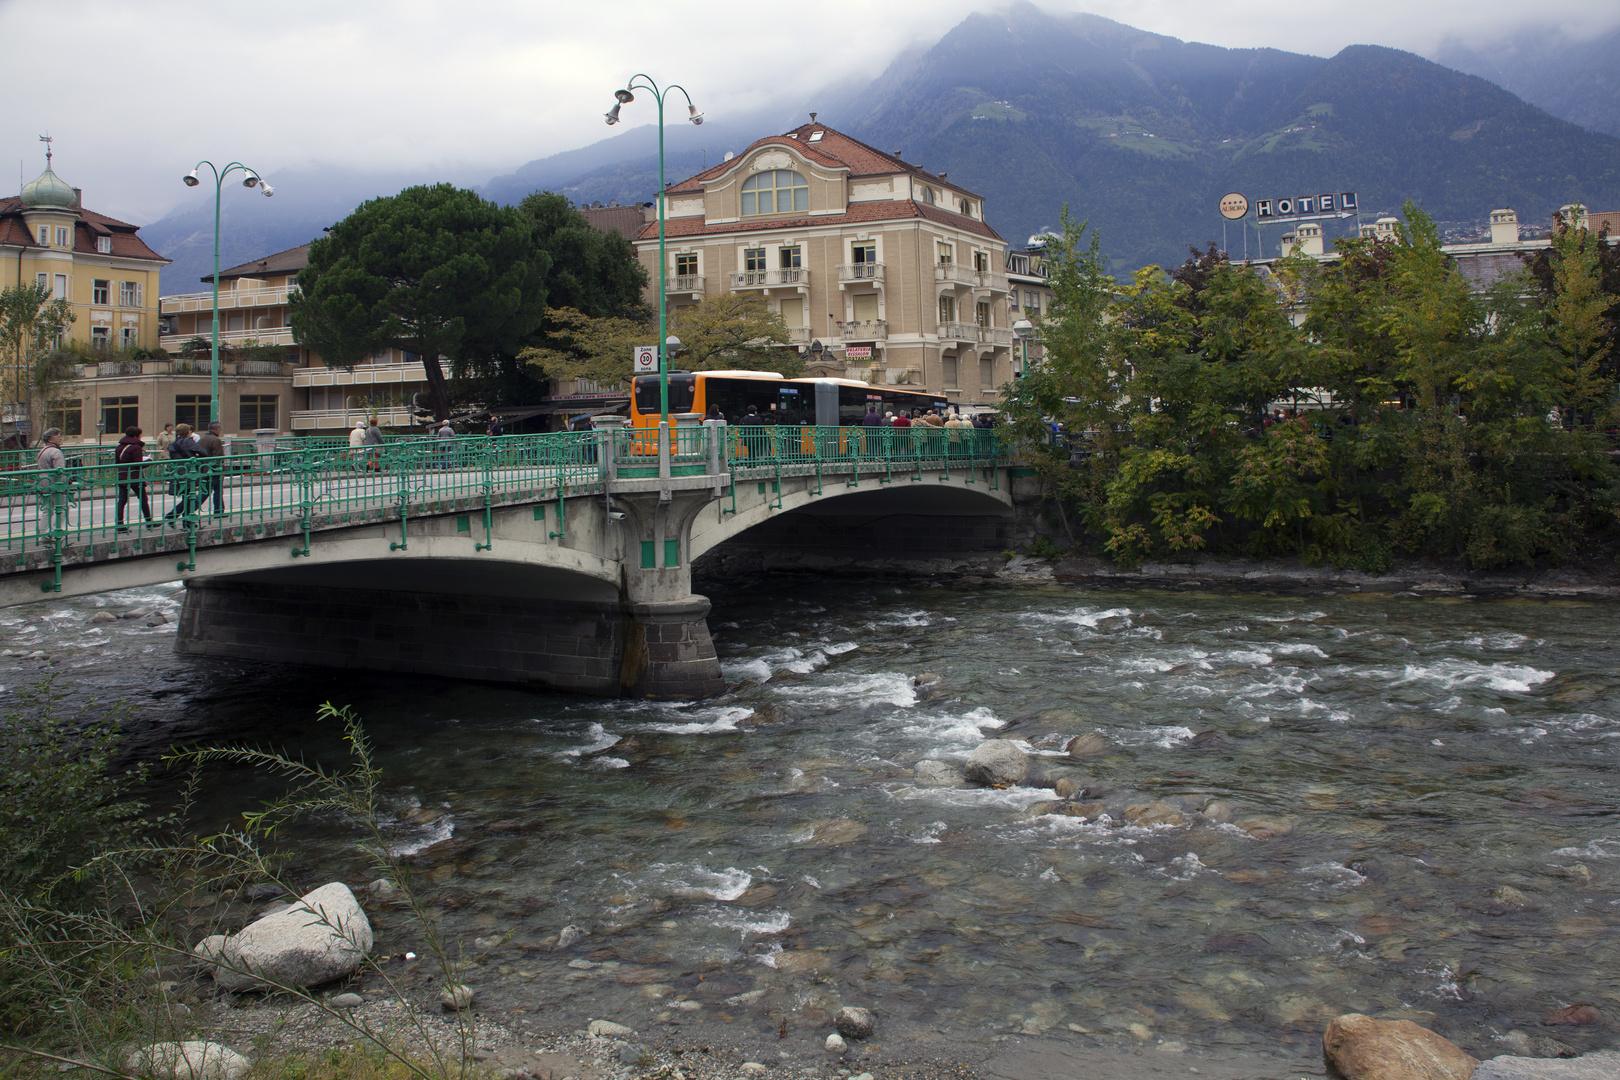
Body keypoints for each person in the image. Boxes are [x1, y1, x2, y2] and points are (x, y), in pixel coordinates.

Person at [113, 425, 152, 531]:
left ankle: (119, 524)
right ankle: (149, 522)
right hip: (134, 476)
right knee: (143, 498)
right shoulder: (136, 447)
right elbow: (138, 464)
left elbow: (117, 462)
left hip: (122, 475)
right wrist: (149, 461)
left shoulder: (120, 446)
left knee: (122, 500)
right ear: (136, 436)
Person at [163, 423, 199, 521]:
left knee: (186, 496)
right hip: (188, 471)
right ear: (187, 432)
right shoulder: (188, 442)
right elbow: (203, 451)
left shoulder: (174, 443)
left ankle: (186, 521)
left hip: (177, 472)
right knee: (190, 497)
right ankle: (174, 516)